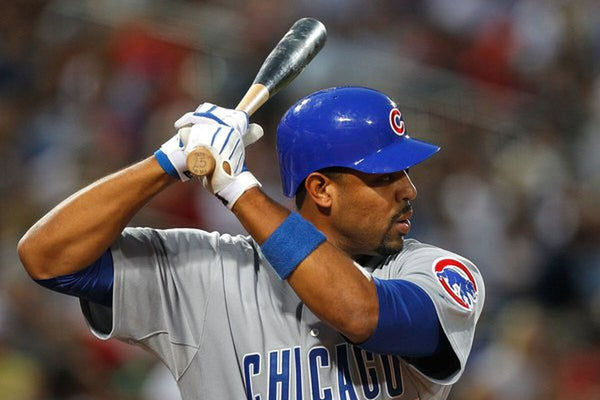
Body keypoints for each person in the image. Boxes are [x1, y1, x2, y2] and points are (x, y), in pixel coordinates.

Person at [18, 86, 484, 399]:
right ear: (321, 190)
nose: (409, 190)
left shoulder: (437, 273)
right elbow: (47, 258)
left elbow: (360, 313)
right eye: (384, 176)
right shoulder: (210, 272)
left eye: (406, 172)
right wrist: (167, 161)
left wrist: (237, 188)